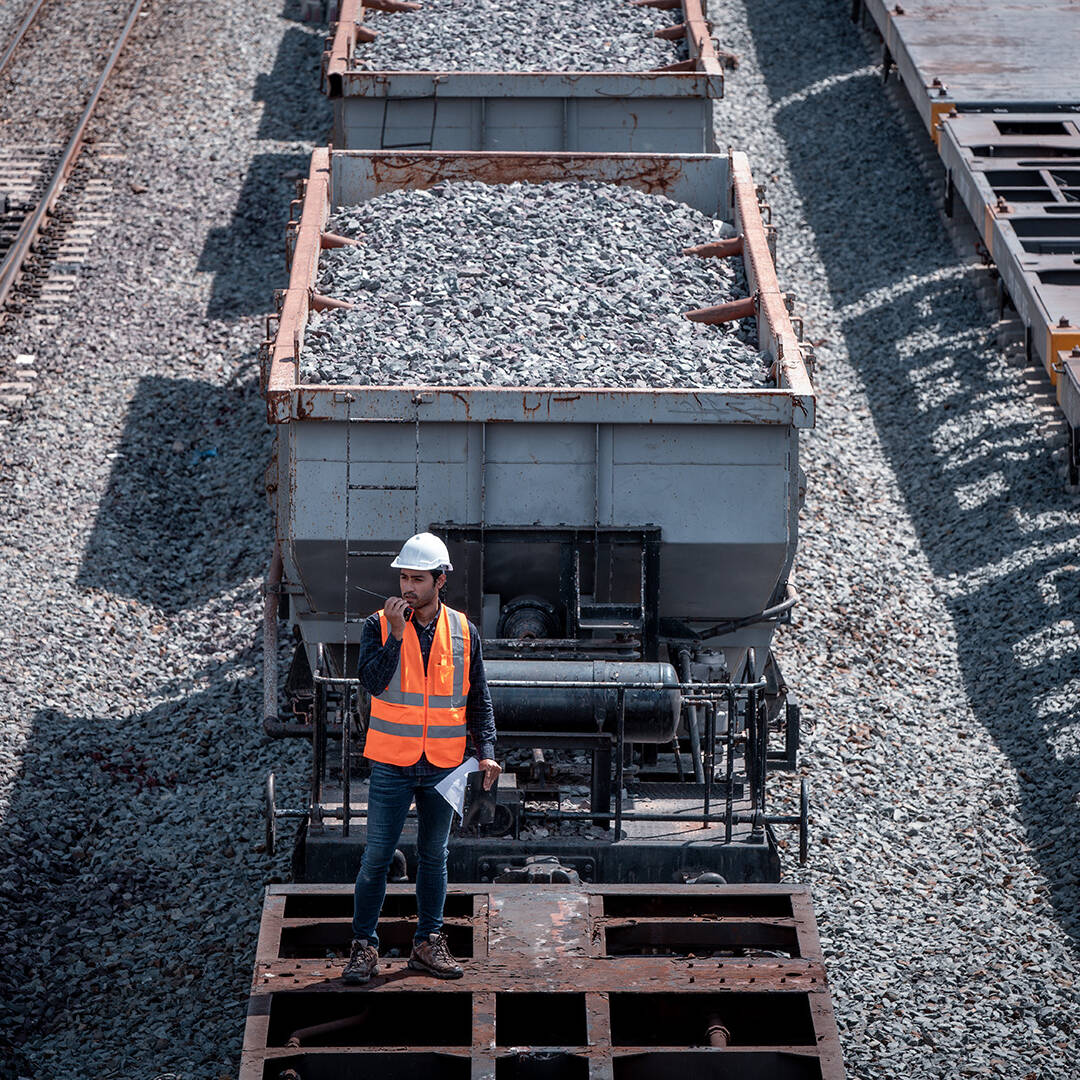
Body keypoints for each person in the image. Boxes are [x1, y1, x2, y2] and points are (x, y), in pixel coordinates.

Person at [343, 532, 500, 984]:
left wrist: (487, 752)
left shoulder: (464, 631)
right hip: (392, 763)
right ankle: (363, 947)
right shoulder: (378, 625)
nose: (407, 588)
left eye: (417, 579)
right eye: (403, 578)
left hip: (444, 765)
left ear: (440, 580)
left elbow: (479, 698)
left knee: (434, 856)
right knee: (376, 857)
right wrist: (396, 636)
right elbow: (372, 683)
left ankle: (428, 943)